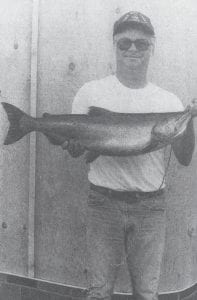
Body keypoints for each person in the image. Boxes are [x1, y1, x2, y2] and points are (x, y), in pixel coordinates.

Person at [62, 11, 195, 300]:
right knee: (99, 292)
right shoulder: (90, 92)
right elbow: (78, 150)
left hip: (151, 208)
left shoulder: (169, 101)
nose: (133, 49)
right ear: (115, 46)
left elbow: (184, 158)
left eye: (141, 43)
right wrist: (74, 146)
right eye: (125, 43)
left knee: (147, 294)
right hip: (103, 204)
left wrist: (189, 120)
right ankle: (26, 123)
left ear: (152, 47)